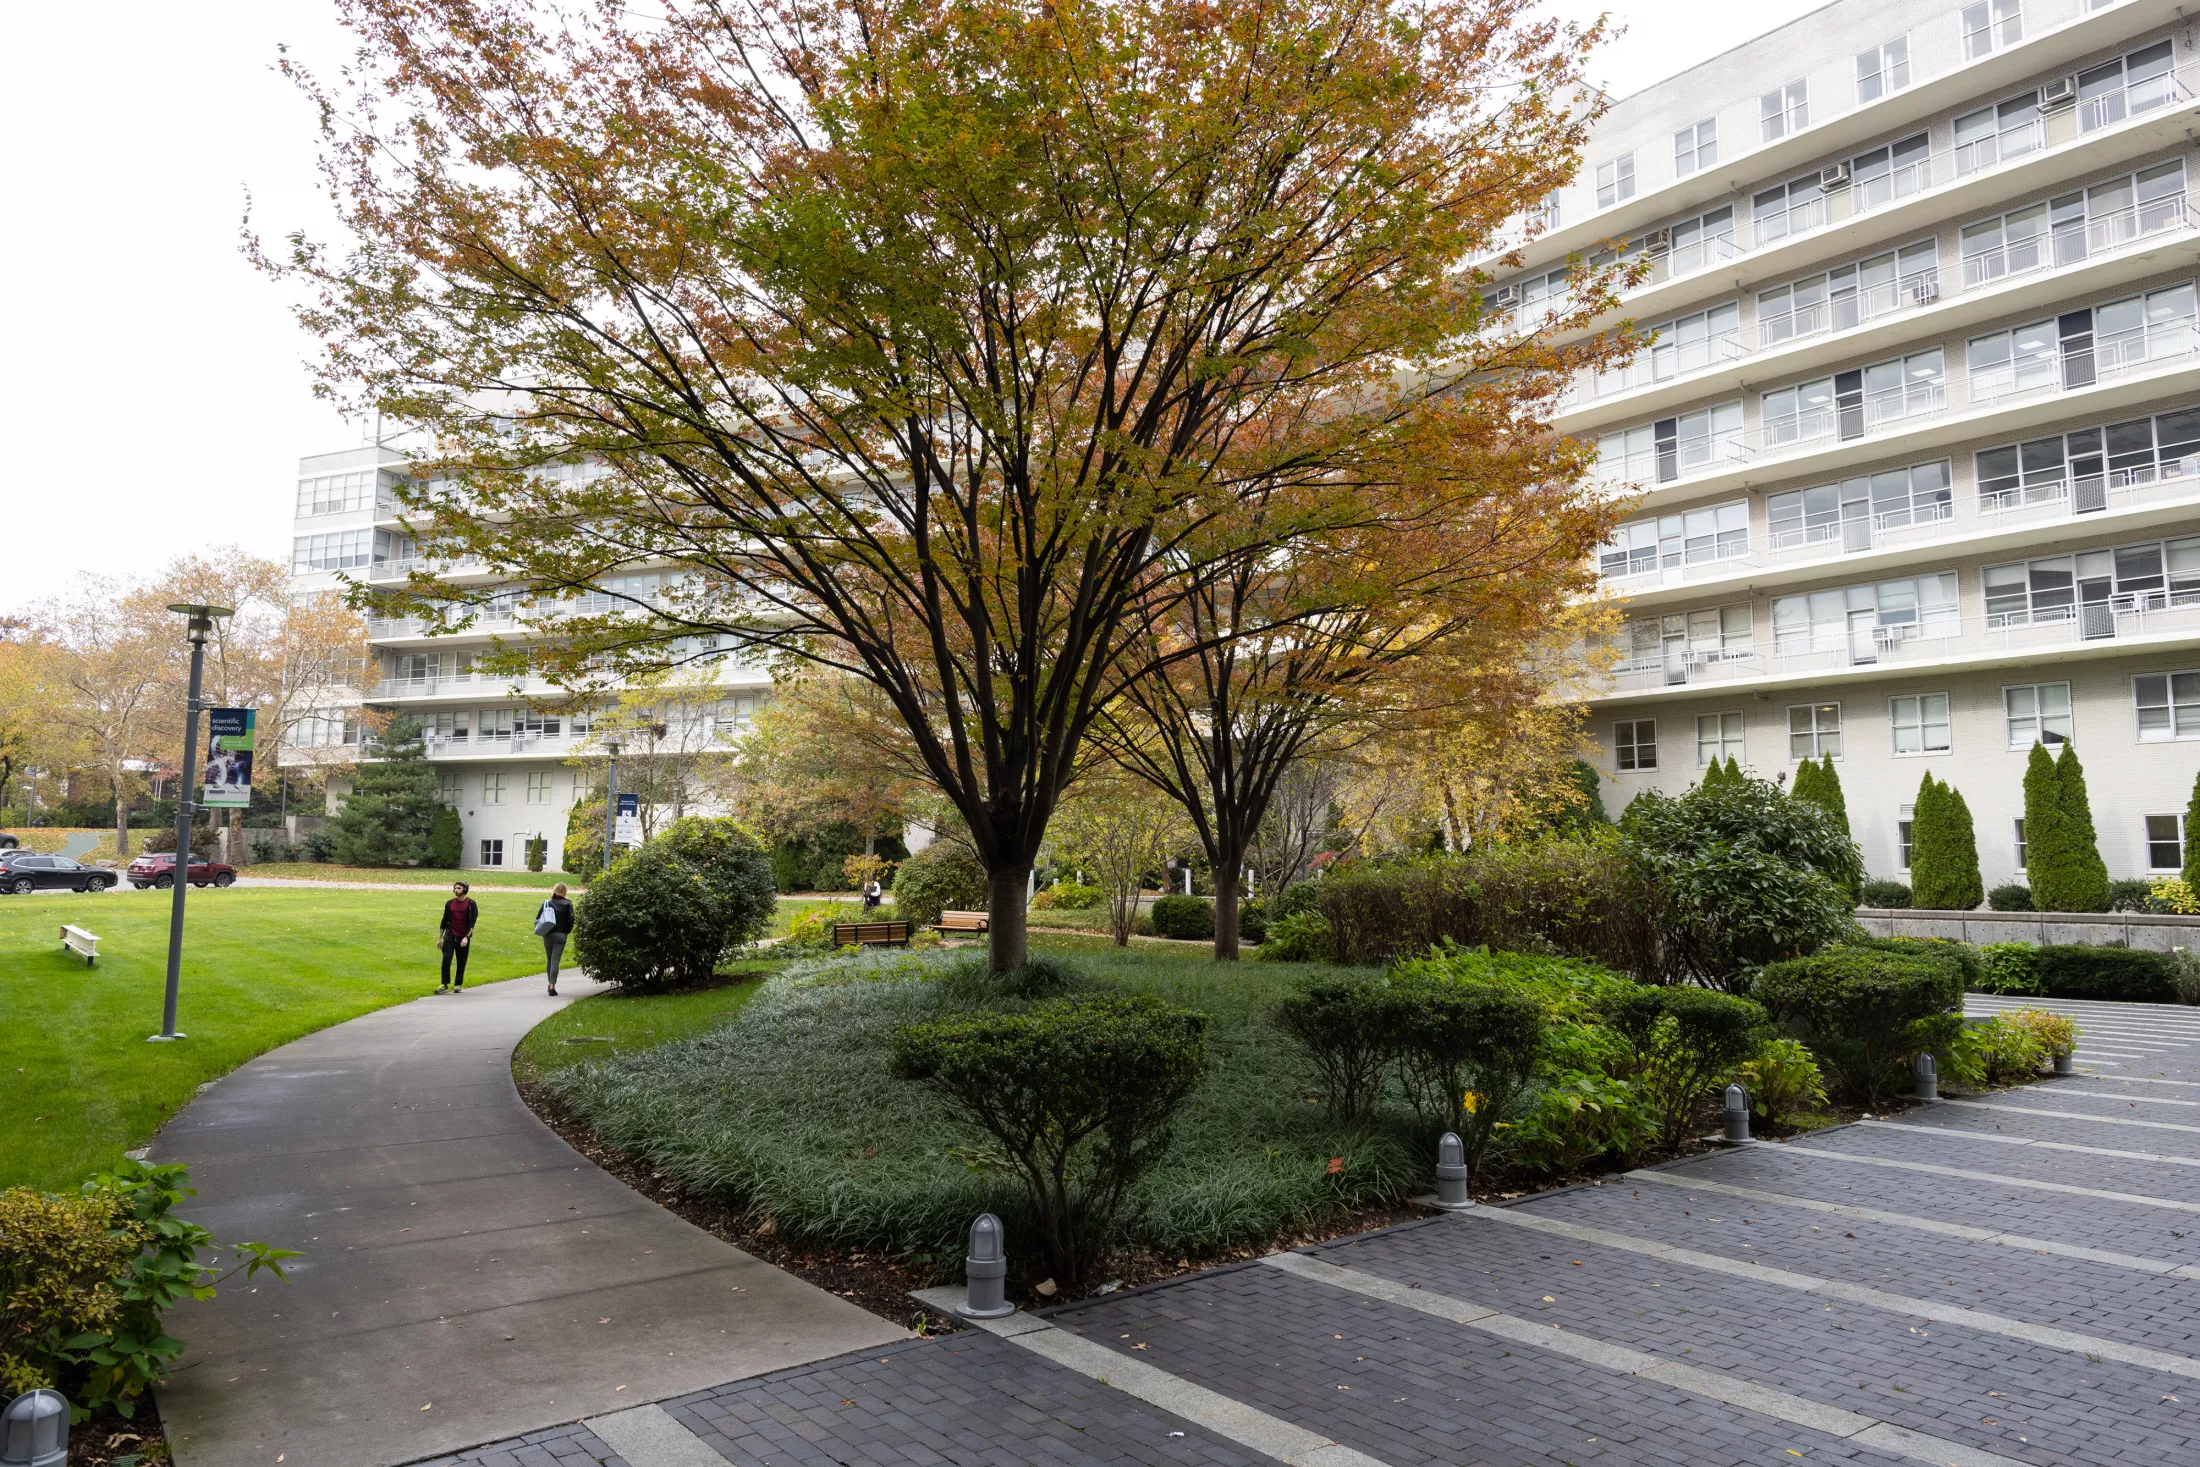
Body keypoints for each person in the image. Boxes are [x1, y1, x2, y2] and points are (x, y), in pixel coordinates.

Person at [437, 880, 479, 993]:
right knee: (446, 961)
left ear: (465, 889)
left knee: (461, 961)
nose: (456, 890)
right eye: (455, 888)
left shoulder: (471, 904)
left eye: (459, 888)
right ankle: (444, 984)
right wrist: (439, 938)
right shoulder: (449, 903)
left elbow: (472, 924)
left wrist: (466, 937)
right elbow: (444, 921)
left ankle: (458, 984)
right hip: (450, 936)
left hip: (463, 937)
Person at [536, 882, 575, 995]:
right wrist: (566, 931)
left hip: (548, 933)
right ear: (564, 891)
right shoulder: (568, 903)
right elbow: (571, 920)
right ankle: (552, 985)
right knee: (555, 960)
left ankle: (550, 984)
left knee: (549, 959)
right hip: (561, 934)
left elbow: (538, 918)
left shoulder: (547, 903)